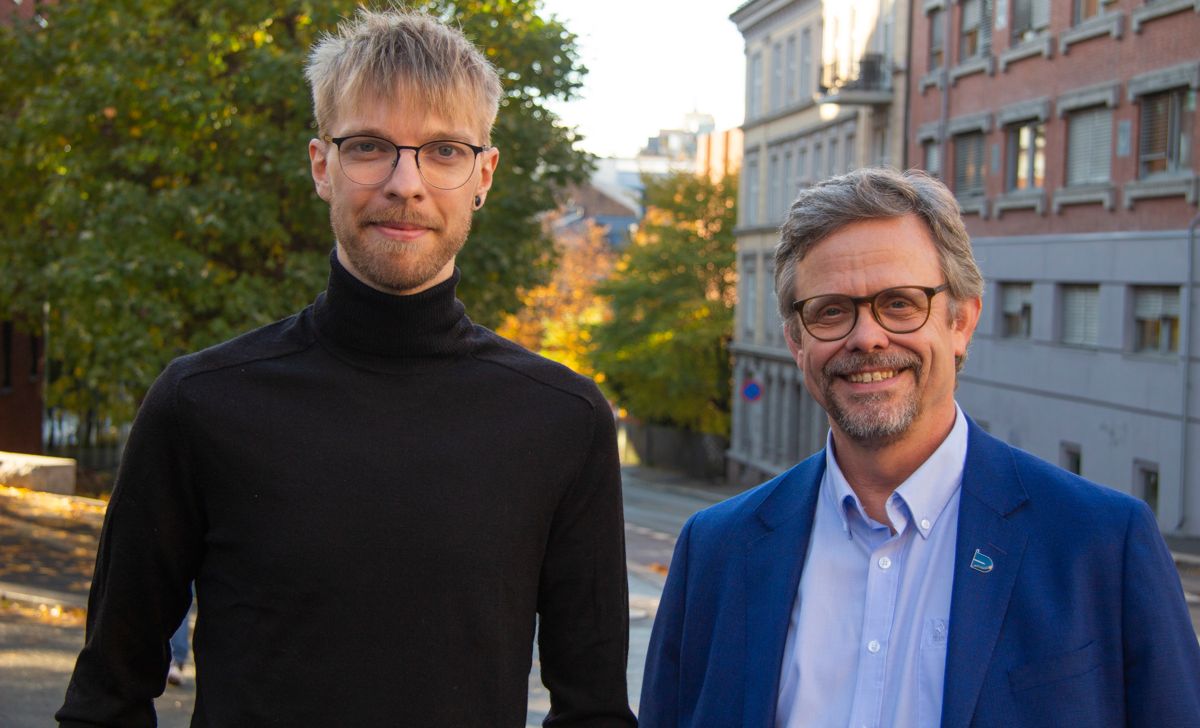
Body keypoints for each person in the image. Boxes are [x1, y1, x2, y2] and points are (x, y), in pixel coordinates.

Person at [57, 9, 635, 727]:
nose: (405, 183)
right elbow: (106, 698)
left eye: (444, 150)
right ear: (321, 165)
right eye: (368, 146)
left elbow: (594, 713)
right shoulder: (201, 404)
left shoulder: (561, 419)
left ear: (483, 175)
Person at [639, 167, 1200, 727]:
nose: (867, 337)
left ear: (962, 321)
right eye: (831, 310)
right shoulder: (716, 551)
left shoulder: (1100, 543)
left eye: (901, 303)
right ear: (796, 340)